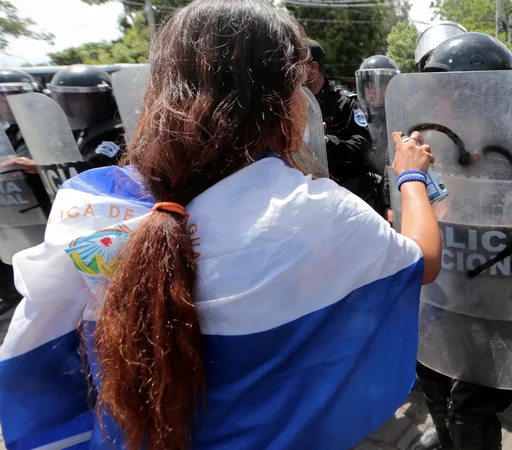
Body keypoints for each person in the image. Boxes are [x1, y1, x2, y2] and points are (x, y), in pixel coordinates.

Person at [0, 1, 441, 449]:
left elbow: (38, 365)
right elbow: (421, 261)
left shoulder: (89, 202)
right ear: (285, 101)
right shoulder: (316, 212)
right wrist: (411, 176)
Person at [405, 32, 512, 450]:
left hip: (493, 299)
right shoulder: (432, 144)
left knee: (471, 406)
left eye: (450, 93)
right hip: (443, 290)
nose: (440, 103)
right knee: (432, 375)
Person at [2, 65, 125, 178]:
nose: (73, 106)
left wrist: (42, 168)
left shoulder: (117, 133)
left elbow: (96, 171)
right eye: (67, 99)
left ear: (104, 99)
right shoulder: (82, 130)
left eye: (80, 99)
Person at [304, 39, 382, 211]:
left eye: (297, 66)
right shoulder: (297, 104)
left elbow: (364, 146)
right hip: (311, 196)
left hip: (348, 196)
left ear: (313, 68)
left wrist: (324, 142)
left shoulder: (345, 103)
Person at [0, 69, 49, 315]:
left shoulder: (48, 128)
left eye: (15, 93)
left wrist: (36, 166)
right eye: (1, 96)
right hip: (14, 214)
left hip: (47, 213)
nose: (7, 101)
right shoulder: (7, 134)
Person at [356, 55, 400, 222]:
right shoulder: (356, 118)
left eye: (379, 84)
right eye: (368, 86)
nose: (372, 91)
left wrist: (389, 203)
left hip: (390, 197)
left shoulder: (397, 117)